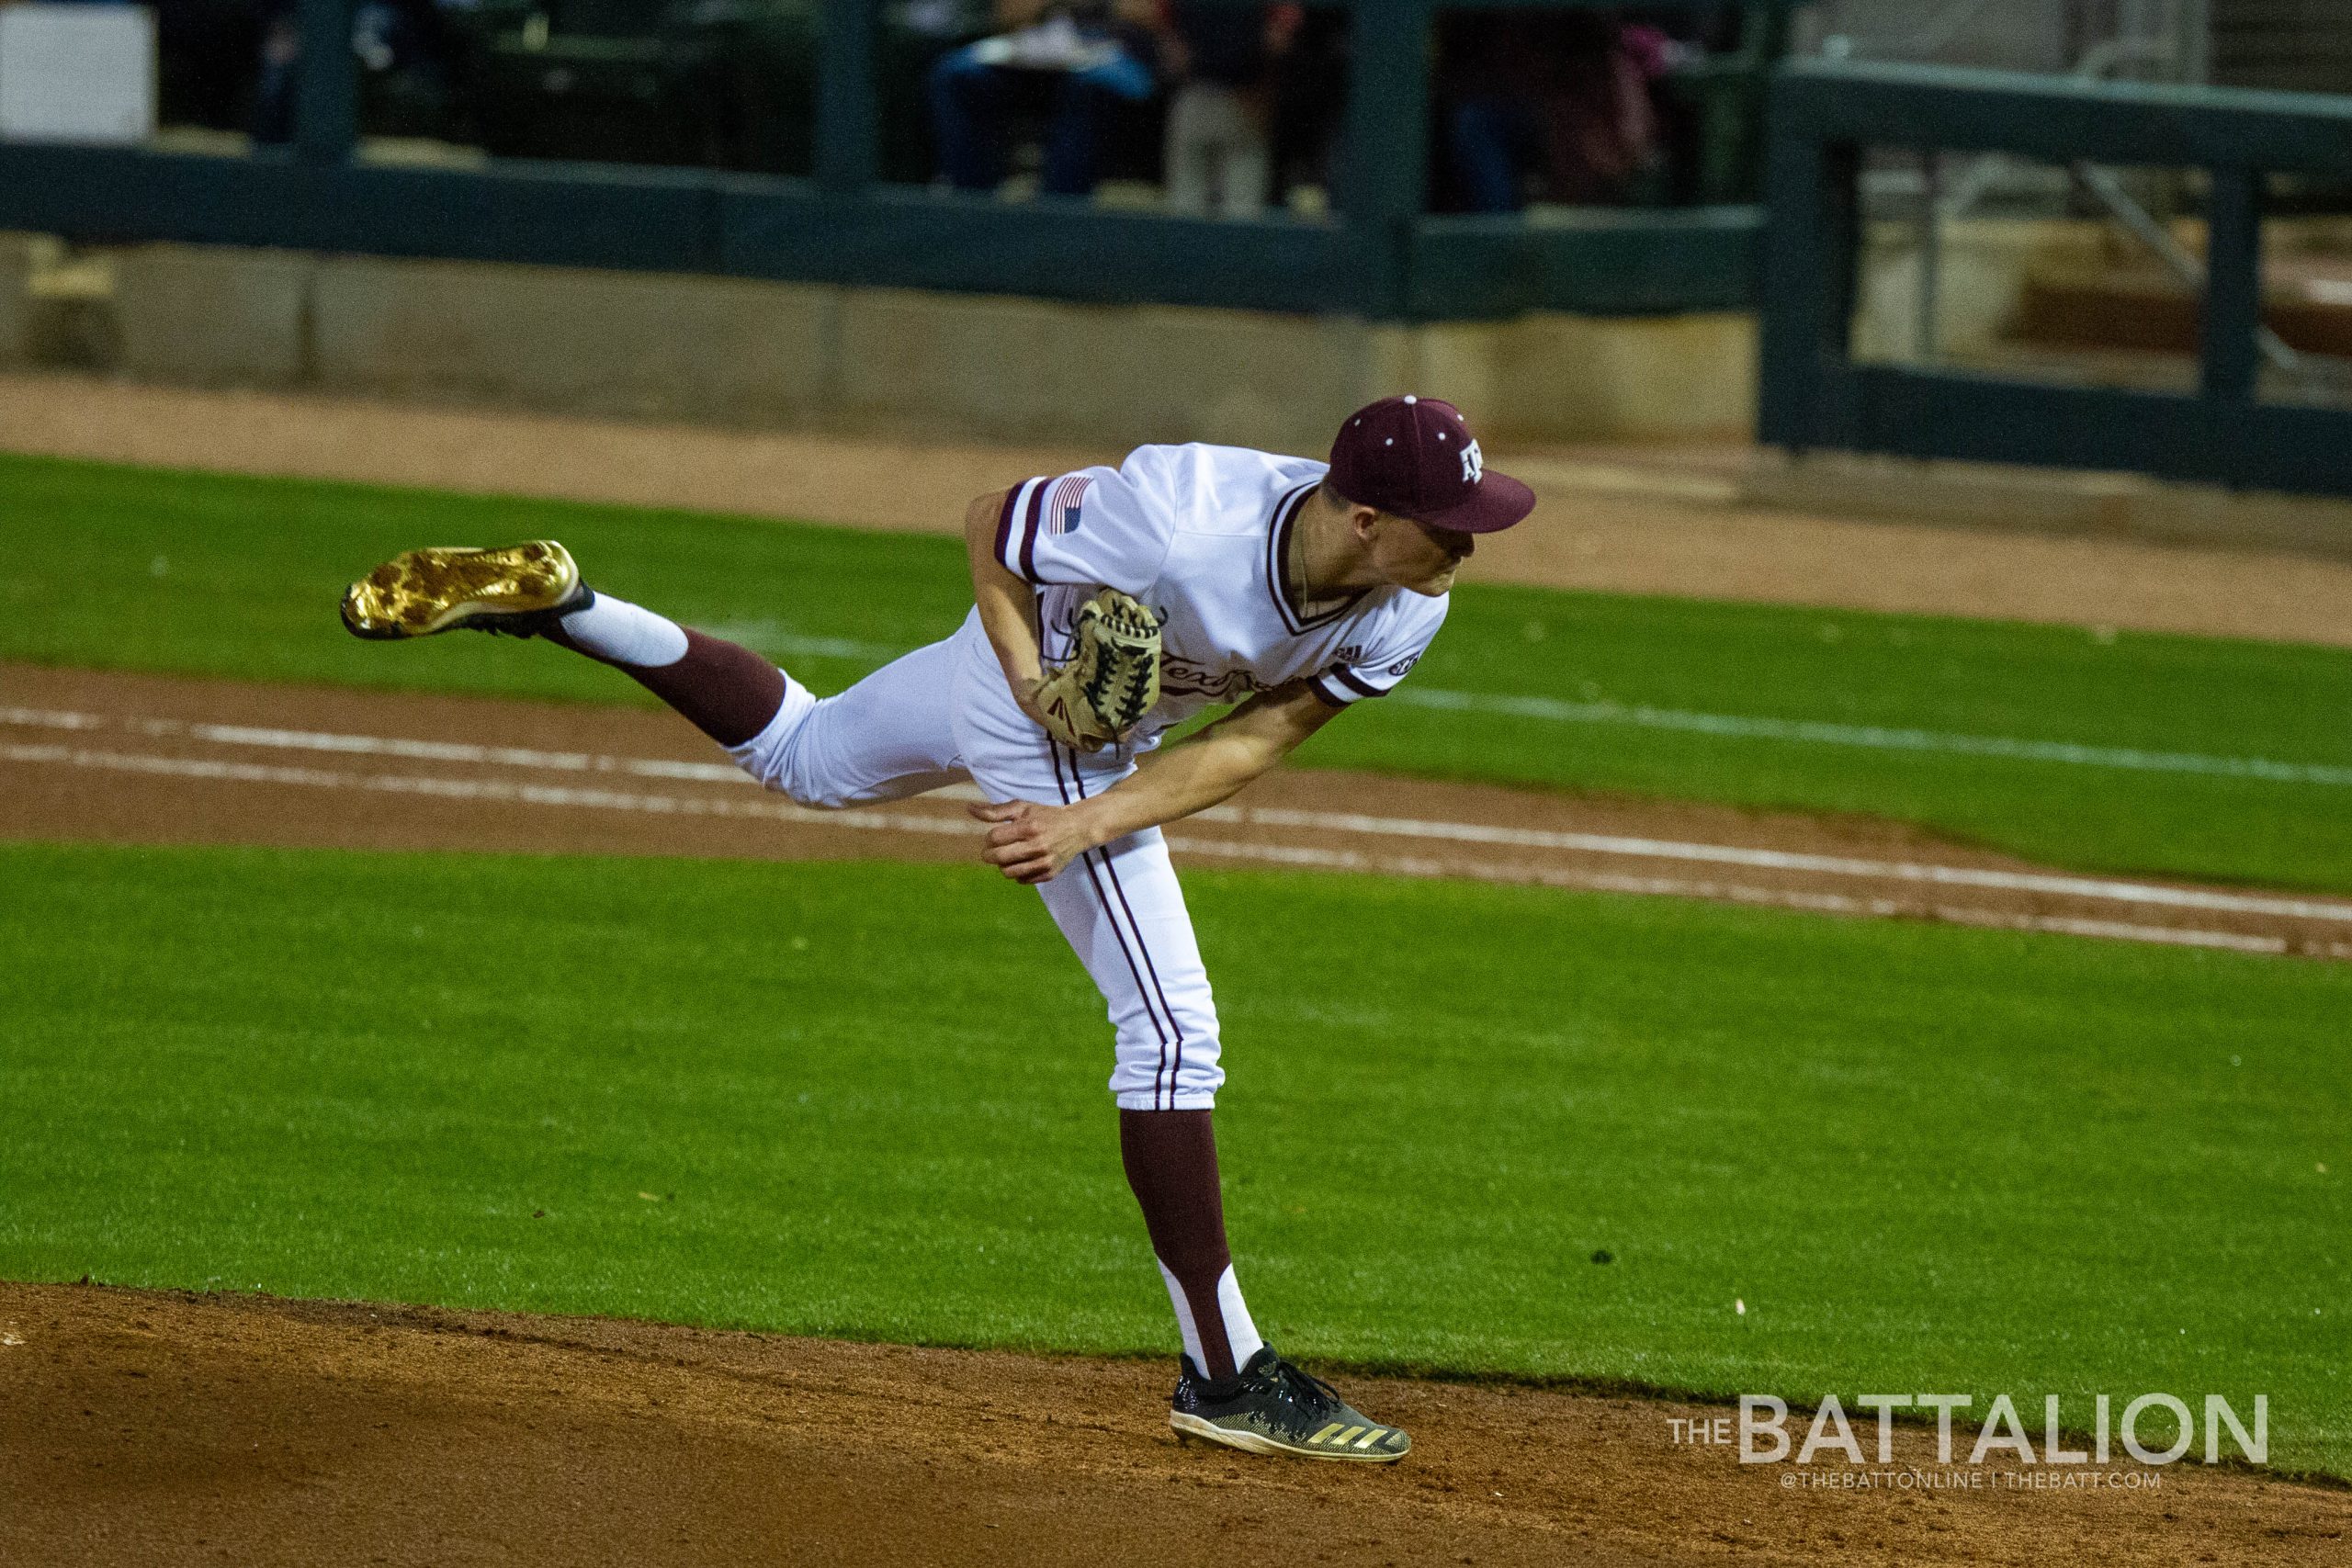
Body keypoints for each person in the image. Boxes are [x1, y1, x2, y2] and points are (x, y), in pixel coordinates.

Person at [338, 395, 1537, 1461]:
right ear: (1367, 514)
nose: (1470, 541)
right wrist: (1028, 691)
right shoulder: (1179, 517)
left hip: (1087, 740)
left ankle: (569, 606)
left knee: (805, 756)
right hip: (1031, 704)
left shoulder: (1401, 604)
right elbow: (989, 525)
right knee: (1172, 1031)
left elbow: (1253, 739)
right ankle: (1226, 1375)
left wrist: (1098, 814)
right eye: (1451, 519)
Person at [929, 0, 1160, 197]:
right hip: (1032, 53)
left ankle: (1058, 211)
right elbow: (1008, 14)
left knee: (1086, 88)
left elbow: (1145, 13)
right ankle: (971, 201)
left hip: (1109, 51)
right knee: (956, 73)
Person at [1155, 2, 1302, 220]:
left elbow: (1280, 34)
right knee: (1198, 207)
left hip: (1237, 95)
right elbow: (1279, 37)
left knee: (1227, 208)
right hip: (1209, 93)